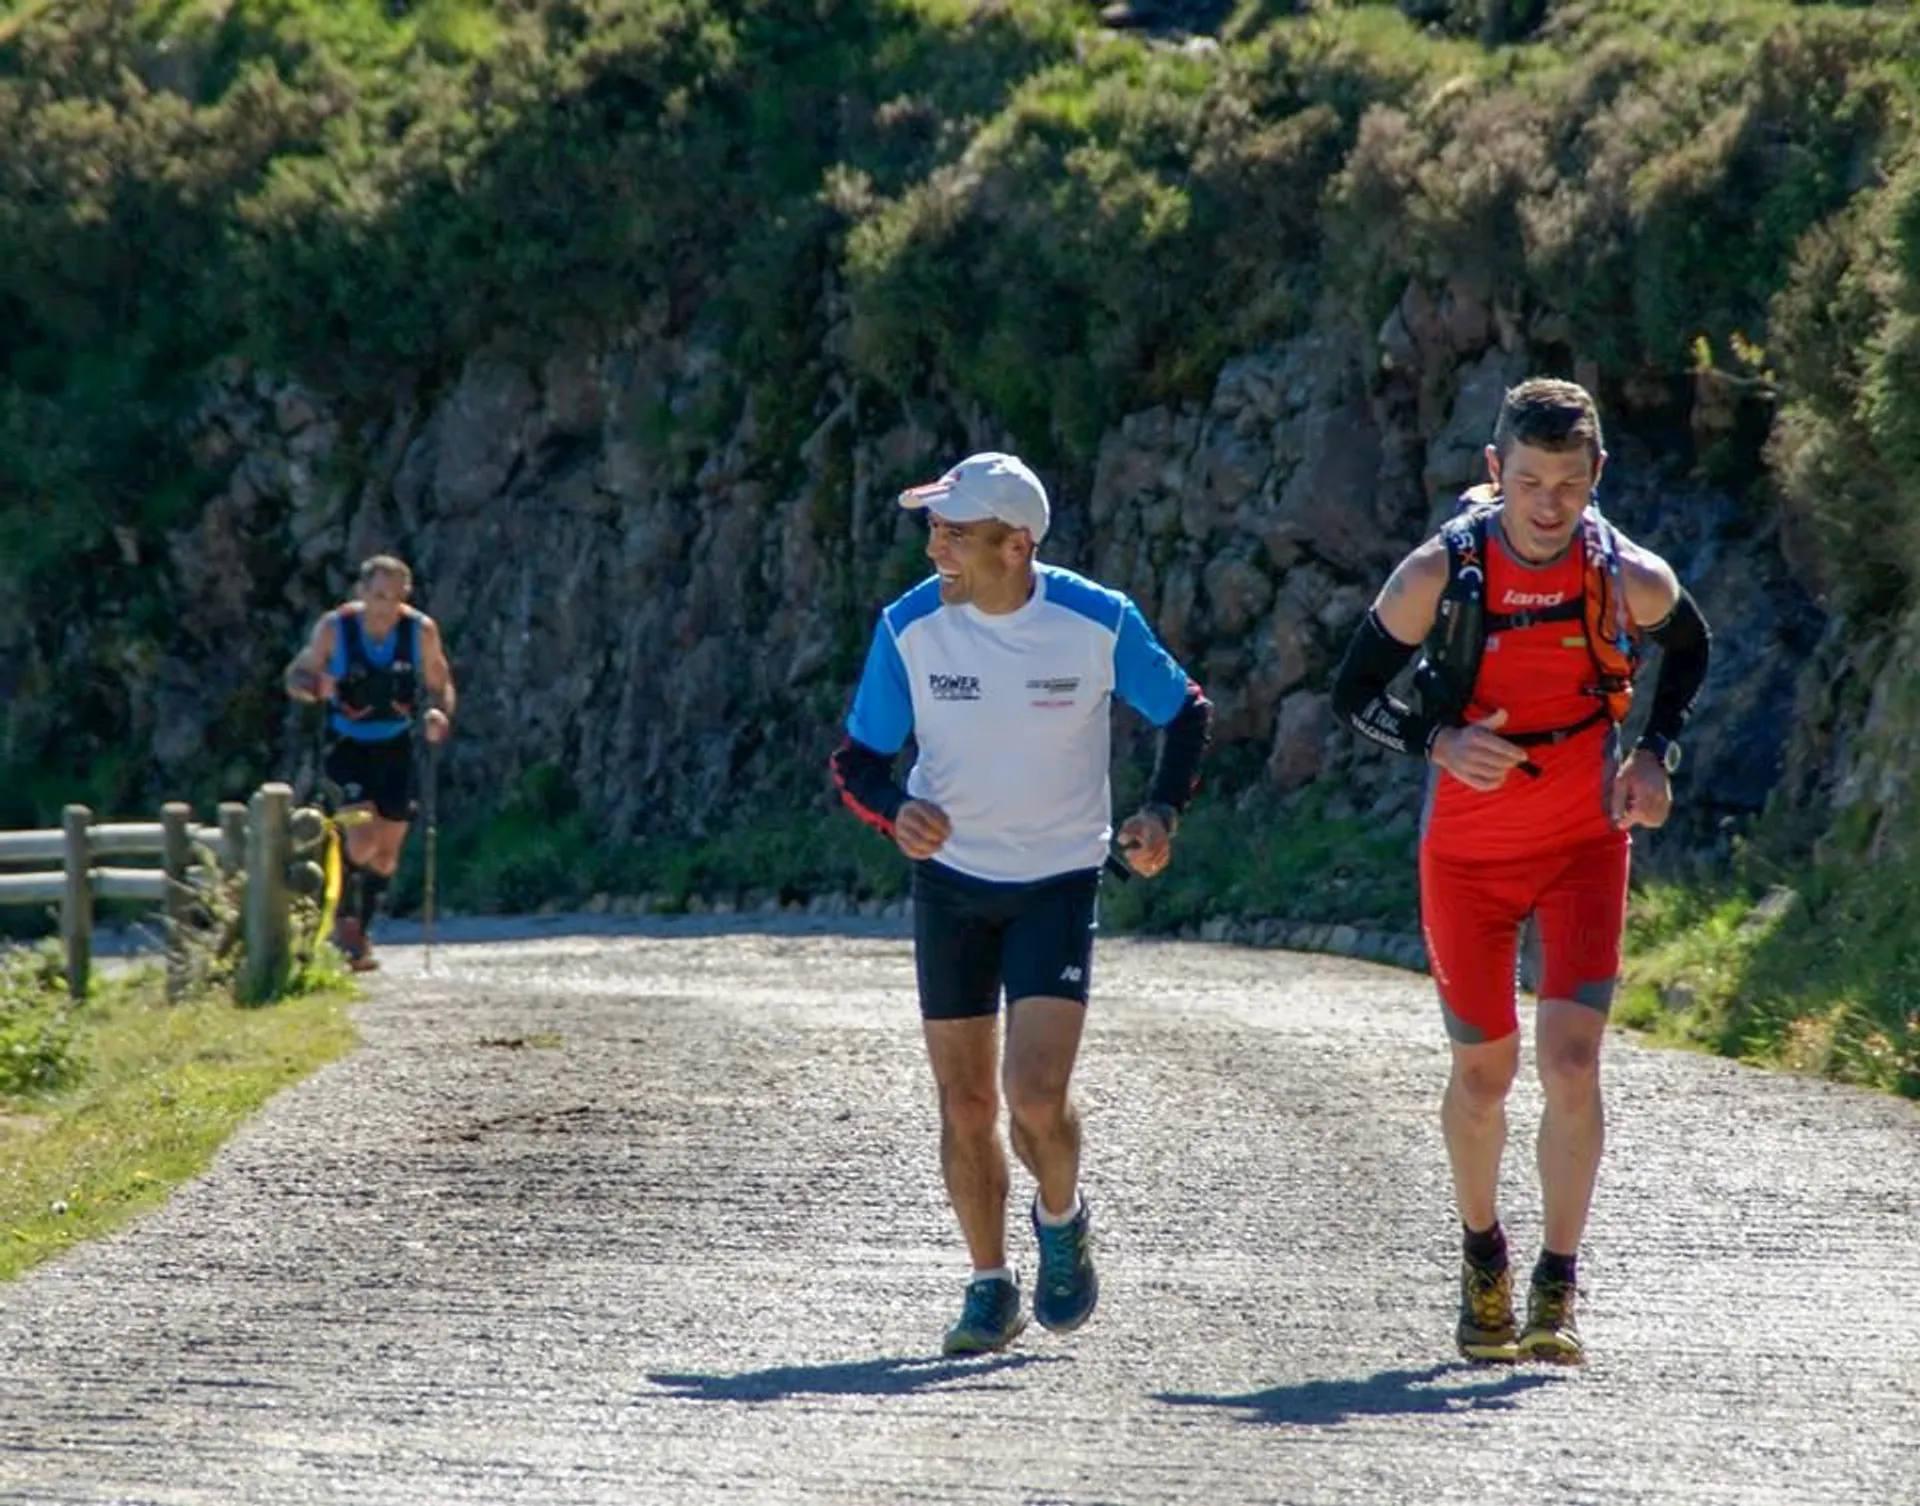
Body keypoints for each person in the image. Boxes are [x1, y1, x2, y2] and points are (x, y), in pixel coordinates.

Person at [1330, 378, 1711, 1365]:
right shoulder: (1437, 574)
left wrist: (1654, 756)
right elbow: (1354, 692)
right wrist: (1441, 740)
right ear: (1495, 473)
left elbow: (1691, 646)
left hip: (1586, 842)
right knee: (1485, 1072)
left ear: (1597, 480)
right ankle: (1480, 1256)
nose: (1549, 504)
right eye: (1530, 480)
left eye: (1570, 484)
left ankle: (1557, 1285)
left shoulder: (1623, 571)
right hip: (1467, 860)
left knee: (1573, 1065)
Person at [830, 451, 1214, 1356]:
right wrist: (897, 813)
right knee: (964, 1105)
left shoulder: (1096, 620)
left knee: (1034, 1097)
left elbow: (1185, 709)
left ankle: (1063, 1215)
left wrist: (1159, 812)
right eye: (933, 531)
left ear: (1016, 544)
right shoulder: (909, 627)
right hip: (952, 886)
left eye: (952, 534)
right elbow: (855, 762)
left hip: (1057, 881)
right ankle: (988, 1284)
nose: (934, 551)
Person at [283, 554, 455, 971]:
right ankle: (345, 925)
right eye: (378, 595)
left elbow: (440, 683)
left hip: (396, 745)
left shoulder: (420, 631)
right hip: (346, 745)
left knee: (386, 856)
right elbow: (297, 676)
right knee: (360, 839)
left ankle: (362, 928)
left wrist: (438, 715)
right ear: (362, 593)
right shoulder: (334, 628)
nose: (385, 606)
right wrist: (315, 688)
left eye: (394, 597)